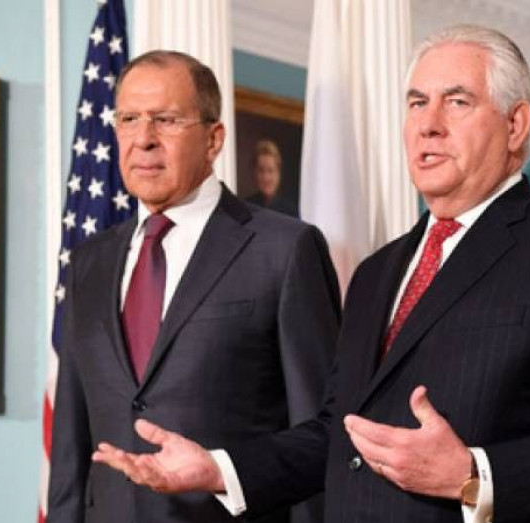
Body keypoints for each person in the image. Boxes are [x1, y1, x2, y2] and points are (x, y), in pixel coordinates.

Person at [93, 25, 530, 523]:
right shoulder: (376, 272)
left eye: (457, 102)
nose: (428, 125)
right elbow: (338, 434)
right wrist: (219, 469)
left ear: (516, 125)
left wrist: (472, 474)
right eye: (416, 103)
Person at [46, 50, 341, 523]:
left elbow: (322, 433)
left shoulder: (285, 249)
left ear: (213, 138)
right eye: (129, 119)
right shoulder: (89, 263)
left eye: (165, 120)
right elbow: (70, 447)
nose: (143, 139)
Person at [245, 139, 299, 217]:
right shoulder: (245, 209)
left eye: (270, 171)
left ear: (278, 173)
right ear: (254, 173)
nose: (266, 178)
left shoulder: (290, 212)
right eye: (261, 171)